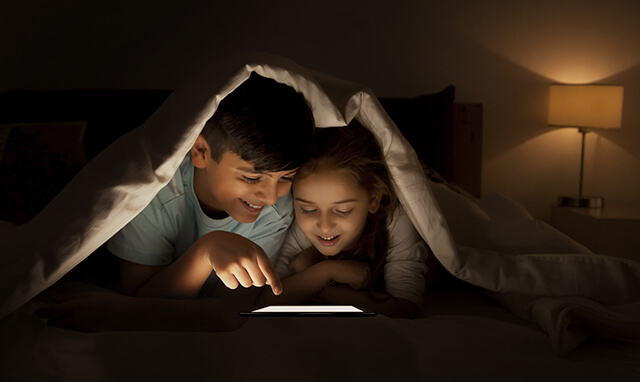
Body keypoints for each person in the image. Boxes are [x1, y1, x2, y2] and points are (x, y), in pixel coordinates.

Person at [36, 72, 315, 331]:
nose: (270, 196)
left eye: (286, 178)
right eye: (253, 178)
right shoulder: (155, 193)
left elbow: (229, 313)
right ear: (201, 152)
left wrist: (207, 253)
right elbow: (137, 297)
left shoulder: (278, 208)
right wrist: (206, 252)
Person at [259, 123, 429, 318]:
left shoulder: (396, 218)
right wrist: (326, 271)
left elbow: (406, 308)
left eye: (342, 210)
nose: (324, 225)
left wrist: (325, 289)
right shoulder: (298, 224)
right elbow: (268, 299)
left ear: (373, 200)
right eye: (308, 209)